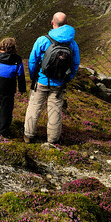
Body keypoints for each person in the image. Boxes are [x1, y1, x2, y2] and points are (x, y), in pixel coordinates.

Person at [24, 12, 80, 145]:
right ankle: (52, 140)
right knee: (55, 110)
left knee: (34, 107)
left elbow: (32, 61)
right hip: (59, 83)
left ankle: (28, 136)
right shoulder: (72, 43)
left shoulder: (43, 40)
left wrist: (34, 77)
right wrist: (67, 78)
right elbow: (75, 63)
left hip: (41, 80)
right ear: (66, 23)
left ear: (52, 22)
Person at [0, 37, 26, 137]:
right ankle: (3, 132)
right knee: (6, 111)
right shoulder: (17, 59)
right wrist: (22, 89)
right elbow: (21, 74)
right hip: (9, 89)